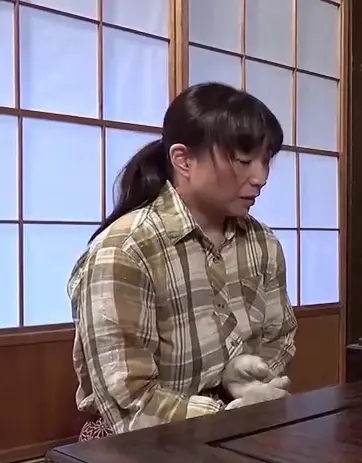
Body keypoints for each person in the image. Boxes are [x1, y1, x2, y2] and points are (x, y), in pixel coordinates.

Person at [68, 82, 298, 440]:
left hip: (242, 433)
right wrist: (230, 414)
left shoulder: (262, 242)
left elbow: (280, 335)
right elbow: (131, 402)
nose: (261, 177)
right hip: (135, 448)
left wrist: (247, 379)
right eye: (244, 161)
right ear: (183, 160)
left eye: (266, 160)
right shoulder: (125, 250)